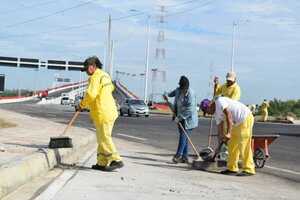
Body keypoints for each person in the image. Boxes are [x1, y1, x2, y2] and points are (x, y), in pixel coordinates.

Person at [79, 56, 123, 171]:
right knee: (101, 138)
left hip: (102, 111)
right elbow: (111, 88)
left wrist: (82, 105)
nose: (86, 72)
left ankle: (116, 159)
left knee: (104, 137)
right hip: (109, 111)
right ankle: (102, 162)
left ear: (93, 66)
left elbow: (91, 94)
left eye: (87, 69)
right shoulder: (105, 75)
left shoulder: (95, 77)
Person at [200, 97, 255, 176]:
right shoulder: (216, 114)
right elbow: (220, 129)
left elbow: (229, 116)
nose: (207, 114)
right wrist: (220, 144)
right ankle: (232, 168)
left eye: (206, 111)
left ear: (209, 105)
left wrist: (229, 133)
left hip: (244, 118)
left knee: (244, 145)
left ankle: (249, 169)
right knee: (231, 145)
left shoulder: (219, 101)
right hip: (235, 124)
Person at [163, 76, 198, 164]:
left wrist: (180, 117)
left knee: (183, 135)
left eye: (184, 89)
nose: (183, 90)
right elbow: (171, 94)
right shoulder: (178, 90)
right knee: (184, 136)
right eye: (182, 88)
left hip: (189, 119)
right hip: (179, 116)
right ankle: (185, 157)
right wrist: (166, 94)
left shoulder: (191, 94)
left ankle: (178, 155)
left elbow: (190, 109)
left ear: (187, 87)